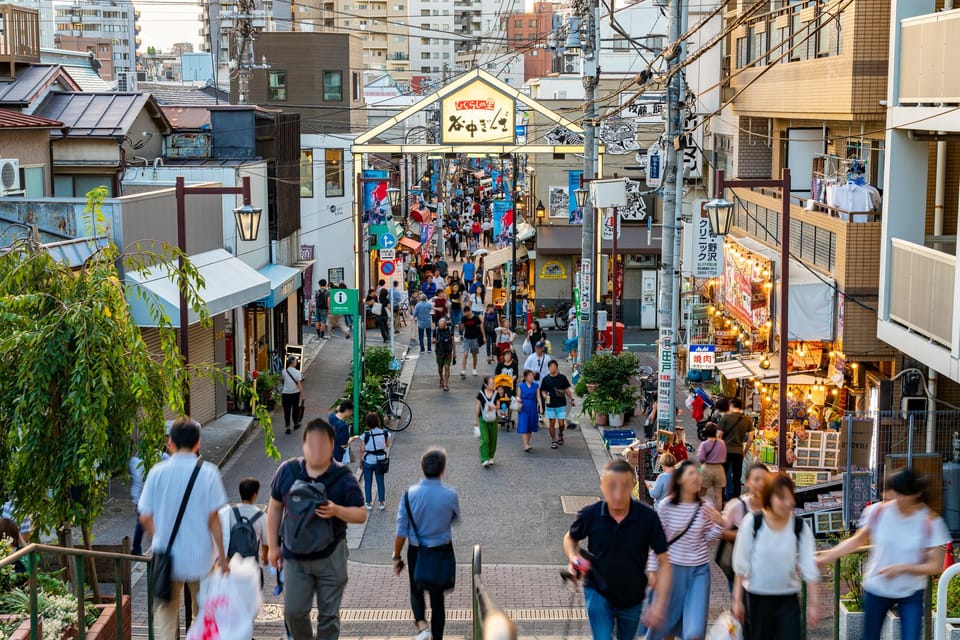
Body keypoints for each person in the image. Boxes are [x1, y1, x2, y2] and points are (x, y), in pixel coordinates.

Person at [816, 468, 950, 640]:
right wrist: (827, 556)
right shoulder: (878, 512)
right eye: (893, 492)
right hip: (876, 588)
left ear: (915, 494)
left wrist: (903, 568)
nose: (896, 498)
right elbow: (857, 540)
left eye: (901, 494)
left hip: (910, 592)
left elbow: (936, 565)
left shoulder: (932, 522)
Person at [267, 418, 367, 640]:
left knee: (328, 617)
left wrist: (336, 510)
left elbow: (360, 514)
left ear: (332, 445)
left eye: (322, 444)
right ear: (303, 445)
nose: (317, 450)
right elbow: (274, 507)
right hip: (294, 557)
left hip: (331, 555)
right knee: (293, 612)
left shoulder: (343, 477)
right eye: (311, 444)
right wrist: (272, 547)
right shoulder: (287, 471)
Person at [138, 418, 229, 640]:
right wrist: (223, 559)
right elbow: (214, 520)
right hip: (203, 559)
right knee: (205, 619)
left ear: (170, 443)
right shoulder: (209, 473)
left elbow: (145, 516)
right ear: (198, 443)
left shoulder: (157, 473)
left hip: (167, 559)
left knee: (167, 621)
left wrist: (159, 536)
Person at [564, 459, 672, 640]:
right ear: (602, 485)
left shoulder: (648, 518)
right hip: (597, 589)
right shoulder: (591, 514)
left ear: (633, 485)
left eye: (624, 486)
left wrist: (659, 605)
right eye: (612, 486)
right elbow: (570, 538)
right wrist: (574, 558)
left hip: (633, 596)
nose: (618, 493)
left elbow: (664, 562)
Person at [732, 472, 820, 640]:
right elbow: (740, 563)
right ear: (769, 498)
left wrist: (814, 603)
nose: (789, 503)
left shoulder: (799, 527)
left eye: (790, 497)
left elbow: (809, 567)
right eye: (782, 498)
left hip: (788, 599)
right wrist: (737, 600)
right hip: (756, 598)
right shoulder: (753, 522)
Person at [646, 460, 724, 640]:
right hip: (671, 572)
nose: (696, 478)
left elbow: (707, 539)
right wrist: (652, 570)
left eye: (697, 474)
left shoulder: (706, 506)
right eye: (691, 474)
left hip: (699, 572)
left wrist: (721, 524)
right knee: (664, 628)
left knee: (694, 632)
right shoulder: (666, 506)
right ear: (680, 479)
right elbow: (657, 541)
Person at [394, 449, 461, 640]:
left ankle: (422, 626)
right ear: (443, 469)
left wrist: (396, 557)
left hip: (417, 550)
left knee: (416, 589)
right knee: (437, 598)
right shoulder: (451, 495)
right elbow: (454, 518)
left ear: (422, 468)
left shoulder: (409, 495)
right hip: (442, 551)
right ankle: (437, 637)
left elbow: (401, 531)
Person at [719, 462, 770, 591]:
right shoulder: (737, 506)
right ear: (747, 482)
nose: (761, 483)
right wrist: (744, 534)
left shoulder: (774, 506)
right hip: (741, 571)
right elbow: (722, 531)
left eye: (764, 479)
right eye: (756, 479)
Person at [218, 477, 269, 571]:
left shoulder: (229, 512)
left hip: (231, 563)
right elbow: (266, 543)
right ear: (255, 495)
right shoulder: (261, 516)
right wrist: (265, 558)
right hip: (252, 565)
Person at [718, 397, 752, 499]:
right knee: (737, 478)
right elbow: (750, 439)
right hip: (739, 452)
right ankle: (736, 499)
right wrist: (744, 452)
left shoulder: (725, 417)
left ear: (731, 405)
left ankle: (722, 498)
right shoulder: (747, 420)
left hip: (725, 452)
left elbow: (719, 436)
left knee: (723, 476)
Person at [539, 360, 574, 450]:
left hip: (561, 404)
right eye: (550, 367)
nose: (552, 368)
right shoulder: (546, 379)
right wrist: (544, 395)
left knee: (562, 424)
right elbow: (543, 390)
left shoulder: (562, 378)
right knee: (552, 423)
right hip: (550, 404)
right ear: (548, 368)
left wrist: (572, 399)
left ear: (557, 367)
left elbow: (567, 390)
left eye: (554, 366)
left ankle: (560, 433)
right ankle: (553, 441)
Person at [361, 413, 390, 511]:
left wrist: (361, 461)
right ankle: (381, 502)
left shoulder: (365, 435)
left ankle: (368, 503)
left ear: (367, 423)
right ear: (378, 421)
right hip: (380, 461)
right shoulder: (385, 433)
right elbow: (386, 445)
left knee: (368, 482)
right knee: (380, 481)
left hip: (368, 460)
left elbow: (362, 449)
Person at [696, 424, 727, 508]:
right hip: (719, 469)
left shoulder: (704, 444)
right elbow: (724, 457)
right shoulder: (722, 443)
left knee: (702, 494)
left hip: (707, 468)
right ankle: (718, 514)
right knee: (718, 495)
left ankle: (701, 513)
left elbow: (700, 458)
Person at [476, 376, 499, 468]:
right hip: (482, 418)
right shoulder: (480, 394)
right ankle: (484, 458)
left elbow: (498, 405)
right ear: (485, 384)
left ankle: (490, 456)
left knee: (493, 439)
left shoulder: (496, 393)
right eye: (490, 383)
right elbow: (477, 407)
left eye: (493, 383)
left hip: (493, 418)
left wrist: (493, 407)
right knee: (485, 439)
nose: (492, 385)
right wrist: (475, 420)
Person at [516, 369, 541, 452]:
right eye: (530, 375)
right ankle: (526, 444)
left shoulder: (536, 386)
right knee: (524, 423)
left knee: (530, 425)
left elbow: (538, 397)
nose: (531, 377)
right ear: (526, 377)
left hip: (533, 406)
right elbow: (518, 396)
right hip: (523, 406)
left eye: (532, 375)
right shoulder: (521, 386)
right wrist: (518, 399)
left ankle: (527, 443)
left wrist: (541, 407)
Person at [459, 305, 485, 378]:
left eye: (466, 312)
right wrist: (461, 324)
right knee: (465, 354)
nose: (466, 314)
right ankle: (463, 370)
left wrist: (484, 337)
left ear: (469, 311)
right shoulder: (464, 318)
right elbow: (462, 329)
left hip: (475, 339)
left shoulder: (476, 318)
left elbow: (481, 327)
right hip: (466, 338)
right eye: (465, 313)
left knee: (474, 355)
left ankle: (474, 369)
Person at [281, 355, 304, 435]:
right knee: (295, 409)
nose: (296, 362)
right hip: (295, 394)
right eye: (296, 361)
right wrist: (302, 394)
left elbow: (282, 381)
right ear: (293, 363)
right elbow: (299, 384)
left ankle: (287, 427)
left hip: (285, 394)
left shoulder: (284, 372)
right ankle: (295, 424)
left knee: (286, 411)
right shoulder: (298, 373)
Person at [434, 317, 456, 391]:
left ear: (445, 325)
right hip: (439, 352)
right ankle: (441, 378)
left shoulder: (450, 330)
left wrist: (454, 353)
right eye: (439, 326)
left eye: (442, 327)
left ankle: (446, 384)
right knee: (440, 368)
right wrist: (434, 341)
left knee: (447, 367)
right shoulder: (436, 330)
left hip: (448, 353)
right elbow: (434, 339)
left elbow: (453, 341)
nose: (440, 328)